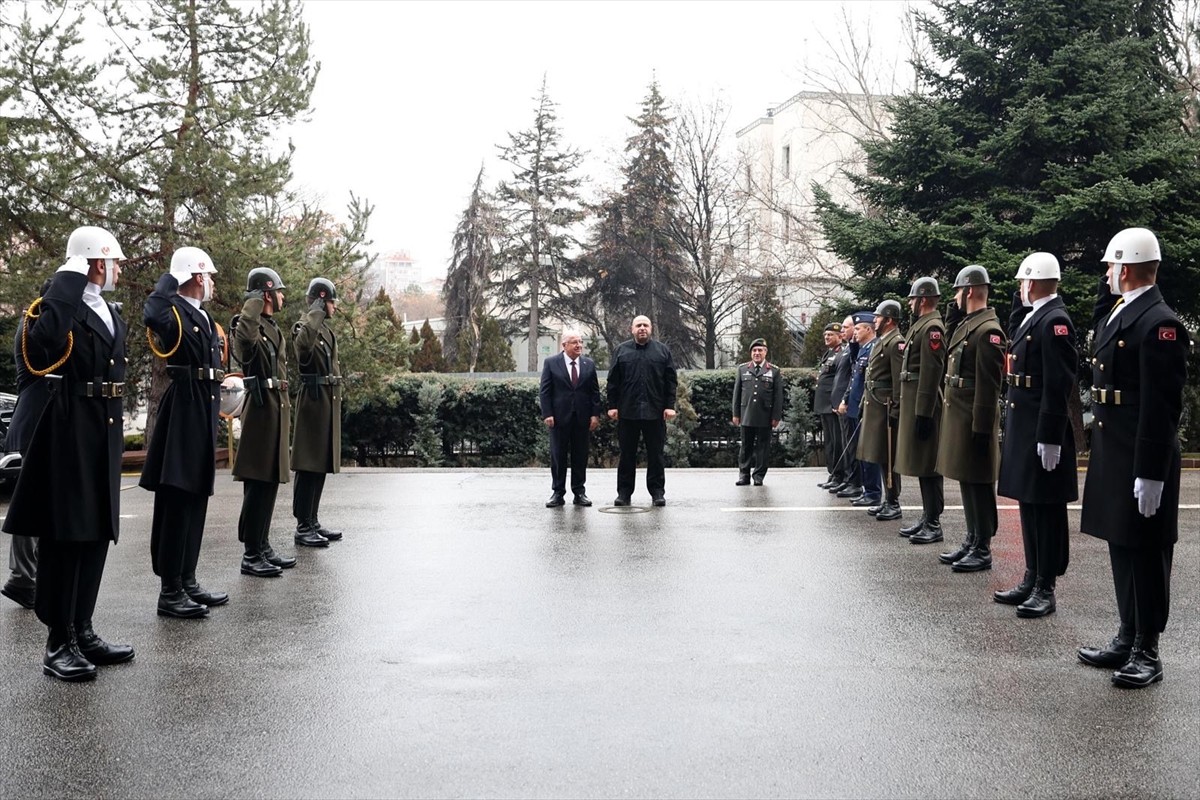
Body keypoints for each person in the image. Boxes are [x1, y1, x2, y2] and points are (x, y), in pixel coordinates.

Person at [2, 225, 134, 681]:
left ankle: (83, 626)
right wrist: (68, 275)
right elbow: (44, 343)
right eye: (111, 261)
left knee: (97, 530)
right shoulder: (56, 308)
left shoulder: (109, 310)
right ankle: (58, 640)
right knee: (67, 534)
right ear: (96, 262)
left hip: (104, 426)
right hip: (70, 425)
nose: (116, 269)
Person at [1078, 227, 1188, 688]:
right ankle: (1127, 634)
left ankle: (1149, 648)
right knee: (1121, 543)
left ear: (1126, 268)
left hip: (1141, 449)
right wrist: (1113, 293)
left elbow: (1163, 405)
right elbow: (1102, 335)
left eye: (1111, 266)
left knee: (1146, 551)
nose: (1105, 273)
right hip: (1114, 445)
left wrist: (1151, 471)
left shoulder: (1161, 323)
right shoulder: (1125, 312)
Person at [140, 246, 227, 618]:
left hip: (203, 405)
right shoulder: (174, 311)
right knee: (177, 498)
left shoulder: (203, 317)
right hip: (184, 406)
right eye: (207, 276)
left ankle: (188, 578)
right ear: (194, 276)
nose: (211, 284)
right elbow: (152, 312)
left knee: (197, 495)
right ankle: (170, 589)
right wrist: (170, 279)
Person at [995, 252, 1077, 618]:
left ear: (1035, 281)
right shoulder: (1034, 316)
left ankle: (1047, 585)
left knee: (1046, 508)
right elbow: (1015, 334)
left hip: (1041, 427)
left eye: (1022, 283)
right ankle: (1031, 575)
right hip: (1025, 423)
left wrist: (1050, 435)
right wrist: (1020, 299)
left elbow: (1059, 383)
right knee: (1029, 503)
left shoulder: (1055, 321)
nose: (1020, 289)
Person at [935, 265, 1006, 572]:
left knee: (979, 481)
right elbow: (950, 340)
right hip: (961, 412)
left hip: (974, 415)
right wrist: (955, 306)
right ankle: (972, 537)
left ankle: (983, 546)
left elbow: (990, 387)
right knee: (967, 478)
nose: (954, 297)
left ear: (969, 292)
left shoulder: (988, 330)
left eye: (957, 292)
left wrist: (982, 428)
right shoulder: (970, 323)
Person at [232, 267, 293, 577]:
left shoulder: (271, 326)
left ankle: (262, 544)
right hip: (259, 409)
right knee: (257, 481)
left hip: (274, 407)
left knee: (269, 480)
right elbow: (244, 342)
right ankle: (251, 552)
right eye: (278, 291)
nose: (282, 297)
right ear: (267, 294)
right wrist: (253, 302)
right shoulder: (249, 324)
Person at [1, 280, 53, 610]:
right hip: (36, 420)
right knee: (35, 500)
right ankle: (22, 578)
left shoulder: (35, 317)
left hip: (35, 419)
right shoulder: (37, 318)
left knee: (40, 500)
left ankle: (26, 576)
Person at [291, 277, 346, 544]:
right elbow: (303, 349)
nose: (335, 307)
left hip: (326, 401)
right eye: (331, 301)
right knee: (308, 464)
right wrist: (316, 310)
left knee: (320, 463)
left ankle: (312, 520)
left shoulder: (326, 330)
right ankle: (303, 526)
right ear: (322, 300)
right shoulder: (305, 327)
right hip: (312, 402)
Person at [895, 277, 947, 543]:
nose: (910, 303)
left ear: (924, 299)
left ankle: (934, 522)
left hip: (925, 404)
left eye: (913, 299)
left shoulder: (932, 327)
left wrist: (924, 412)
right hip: (916, 402)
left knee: (929, 464)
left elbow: (931, 372)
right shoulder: (922, 325)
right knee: (922, 462)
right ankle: (927, 517)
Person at [606, 315, 677, 507]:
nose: (642, 328)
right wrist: (612, 405)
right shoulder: (621, 351)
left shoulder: (662, 351)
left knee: (656, 455)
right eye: (638, 325)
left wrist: (670, 406)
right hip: (628, 413)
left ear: (651, 328)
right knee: (627, 455)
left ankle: (657, 493)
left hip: (655, 412)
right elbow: (613, 381)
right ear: (632, 329)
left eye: (645, 325)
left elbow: (671, 381)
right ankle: (624, 493)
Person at [539, 330, 602, 507]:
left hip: (582, 418)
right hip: (559, 418)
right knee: (558, 456)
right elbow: (545, 391)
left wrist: (595, 414)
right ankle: (558, 493)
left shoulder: (588, 364)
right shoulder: (551, 363)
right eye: (574, 342)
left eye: (580, 342)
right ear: (564, 345)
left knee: (580, 456)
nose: (578, 345)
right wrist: (547, 413)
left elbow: (594, 392)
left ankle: (579, 492)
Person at [858, 300, 904, 521]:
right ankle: (887, 499)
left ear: (889, 320)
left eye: (878, 317)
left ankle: (893, 501)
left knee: (889, 455)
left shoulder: (895, 343)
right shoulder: (881, 341)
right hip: (875, 404)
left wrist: (895, 409)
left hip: (886, 407)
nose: (874, 320)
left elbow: (898, 381)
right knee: (880, 455)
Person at [731, 338, 785, 486]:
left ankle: (759, 476)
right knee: (745, 446)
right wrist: (736, 413)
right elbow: (737, 394)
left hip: (764, 415)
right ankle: (744, 475)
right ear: (751, 353)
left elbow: (778, 396)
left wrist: (776, 416)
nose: (757, 353)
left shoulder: (773, 370)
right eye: (754, 350)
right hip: (746, 413)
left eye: (760, 350)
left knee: (763, 447)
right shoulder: (742, 369)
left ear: (765, 352)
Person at [838, 313, 879, 506]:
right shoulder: (862, 349)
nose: (855, 332)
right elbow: (855, 377)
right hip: (856, 406)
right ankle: (867, 489)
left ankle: (873, 492)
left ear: (869, 329)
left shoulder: (874, 348)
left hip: (866, 407)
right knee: (861, 451)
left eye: (858, 329)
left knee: (868, 453)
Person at [828, 316, 859, 496]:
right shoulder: (847, 349)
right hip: (841, 402)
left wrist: (845, 400)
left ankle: (853, 481)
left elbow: (853, 378)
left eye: (846, 327)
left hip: (848, 404)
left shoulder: (855, 349)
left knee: (851, 444)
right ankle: (848, 479)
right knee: (846, 443)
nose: (842, 331)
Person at [814, 324, 846, 489]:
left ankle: (838, 475)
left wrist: (837, 402)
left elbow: (840, 381)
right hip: (825, 404)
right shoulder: (830, 353)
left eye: (830, 335)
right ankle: (833, 473)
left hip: (832, 405)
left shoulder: (841, 353)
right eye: (825, 335)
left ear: (840, 336)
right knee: (830, 442)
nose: (826, 337)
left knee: (836, 442)